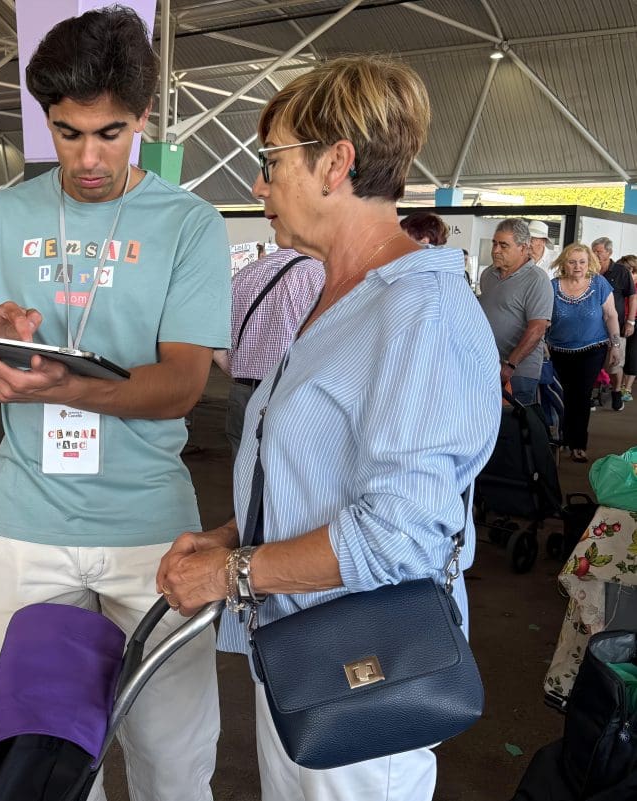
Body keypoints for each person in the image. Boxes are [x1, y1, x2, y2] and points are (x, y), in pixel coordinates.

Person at [157, 55, 499, 801]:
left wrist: (232, 571)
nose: (258, 184)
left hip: (368, 670)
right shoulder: (341, 296)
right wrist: (230, 534)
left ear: (334, 163)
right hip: (308, 656)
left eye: (269, 161)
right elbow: (321, 474)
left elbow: (401, 534)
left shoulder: (419, 310)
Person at [0, 7, 230, 800]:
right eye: (69, 133)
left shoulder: (189, 224)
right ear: (46, 120)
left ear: (142, 118)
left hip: (152, 530)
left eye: (110, 132)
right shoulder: (3, 215)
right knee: (47, 760)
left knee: (172, 753)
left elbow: (182, 385)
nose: (89, 157)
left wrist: (65, 386)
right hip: (29, 525)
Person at [215, 247, 324, 456]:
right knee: (286, 475)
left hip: (242, 390)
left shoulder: (246, 274)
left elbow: (212, 335)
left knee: (244, 475)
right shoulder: (318, 276)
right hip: (290, 392)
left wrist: (234, 369)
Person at [546, 243, 621, 463]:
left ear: (589, 263)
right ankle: (563, 438)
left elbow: (611, 316)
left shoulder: (599, 284)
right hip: (558, 351)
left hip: (592, 350)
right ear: (563, 264)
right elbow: (543, 318)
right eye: (572, 261)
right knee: (563, 395)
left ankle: (578, 443)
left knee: (580, 395)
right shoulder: (552, 286)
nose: (577, 266)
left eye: (582, 262)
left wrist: (615, 345)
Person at [478, 219, 553, 406]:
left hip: (518, 372)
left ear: (523, 248)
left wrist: (510, 365)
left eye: (504, 245)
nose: (495, 250)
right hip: (486, 367)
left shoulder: (537, 279)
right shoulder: (488, 275)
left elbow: (537, 328)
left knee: (513, 428)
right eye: (494, 243)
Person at [590, 236, 635, 410]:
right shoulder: (589, 270)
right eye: (593, 250)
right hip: (592, 328)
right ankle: (591, 395)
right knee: (592, 363)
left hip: (614, 327)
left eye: (598, 251)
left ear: (609, 253)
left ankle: (616, 391)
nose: (594, 254)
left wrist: (630, 321)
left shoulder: (621, 272)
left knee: (614, 364)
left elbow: (632, 296)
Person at [618, 254, 637, 401]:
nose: (629, 274)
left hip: (634, 322)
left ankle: (627, 387)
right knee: (619, 355)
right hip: (618, 321)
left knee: (632, 355)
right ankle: (617, 385)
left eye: (631, 271)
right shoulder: (620, 284)